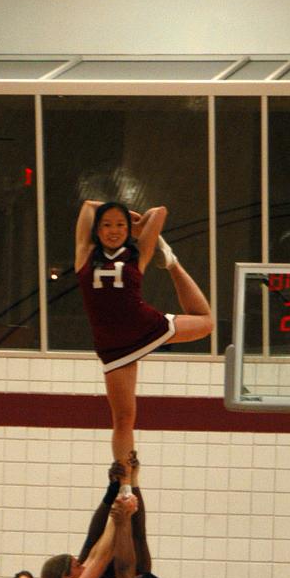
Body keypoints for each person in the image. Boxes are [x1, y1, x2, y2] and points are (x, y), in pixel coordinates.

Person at [75, 200, 213, 495]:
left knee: (206, 322)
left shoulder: (136, 255)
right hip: (113, 347)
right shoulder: (84, 254)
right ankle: (126, 486)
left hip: (143, 327)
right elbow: (87, 206)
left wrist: (136, 225)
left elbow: (160, 212)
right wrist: (124, 216)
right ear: (97, 229)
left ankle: (173, 264)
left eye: (120, 225)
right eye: (107, 225)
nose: (114, 230)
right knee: (123, 418)